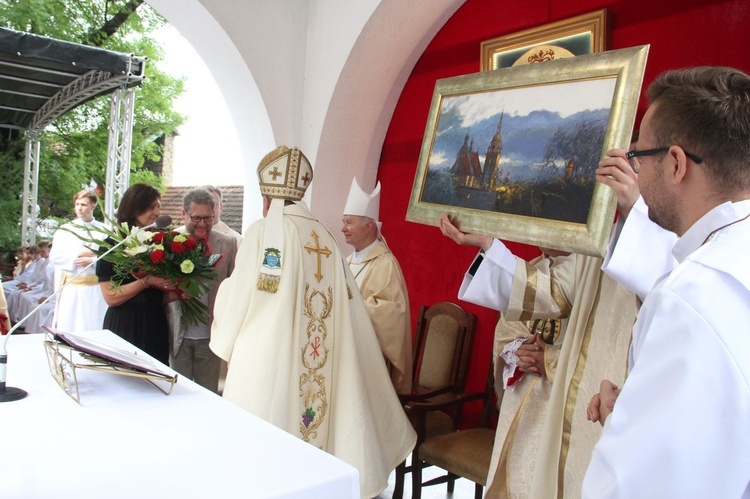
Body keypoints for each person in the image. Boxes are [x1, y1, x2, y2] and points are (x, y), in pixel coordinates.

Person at [210, 146, 415, 498]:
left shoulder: (263, 232)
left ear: (268, 195)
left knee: (261, 462)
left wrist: (225, 308)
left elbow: (240, 295)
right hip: (322, 357)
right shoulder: (325, 237)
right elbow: (350, 307)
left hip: (270, 362)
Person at [582, 66, 750, 497]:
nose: (634, 167)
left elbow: (637, 486)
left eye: (639, 156)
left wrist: (632, 425)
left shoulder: (691, 298)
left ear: (674, 163)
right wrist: (643, 405)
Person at [439, 214, 636, 498]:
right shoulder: (529, 270)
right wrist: (516, 351)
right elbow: (506, 332)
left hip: (564, 410)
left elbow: (603, 353)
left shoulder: (604, 276)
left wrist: (550, 359)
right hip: (523, 399)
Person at [341, 178, 412, 394]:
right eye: (343, 222)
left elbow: (392, 312)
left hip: (368, 355)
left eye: (349, 222)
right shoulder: (347, 260)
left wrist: (349, 306)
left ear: (369, 226)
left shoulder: (385, 263)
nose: (343, 228)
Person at [96, 183, 176, 364]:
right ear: (134, 208)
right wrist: (145, 281)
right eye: (151, 207)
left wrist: (175, 292)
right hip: (126, 324)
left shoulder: (157, 243)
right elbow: (111, 296)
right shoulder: (113, 245)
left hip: (154, 324)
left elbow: (155, 296)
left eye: (158, 207)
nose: (156, 212)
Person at [167, 188, 237, 393]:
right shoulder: (169, 242)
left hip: (210, 337)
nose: (202, 224)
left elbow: (232, 288)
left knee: (208, 395)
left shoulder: (228, 244)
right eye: (196, 218)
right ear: (183, 214)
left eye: (208, 218)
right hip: (178, 335)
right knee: (177, 395)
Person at [49, 190, 108, 332]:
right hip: (72, 287)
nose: (80, 208)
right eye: (77, 204)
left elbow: (111, 257)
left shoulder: (105, 230)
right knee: (71, 326)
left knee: (94, 325)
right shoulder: (65, 230)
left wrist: (93, 260)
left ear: (93, 206)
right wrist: (77, 256)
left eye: (84, 204)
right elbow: (55, 256)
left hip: (96, 288)